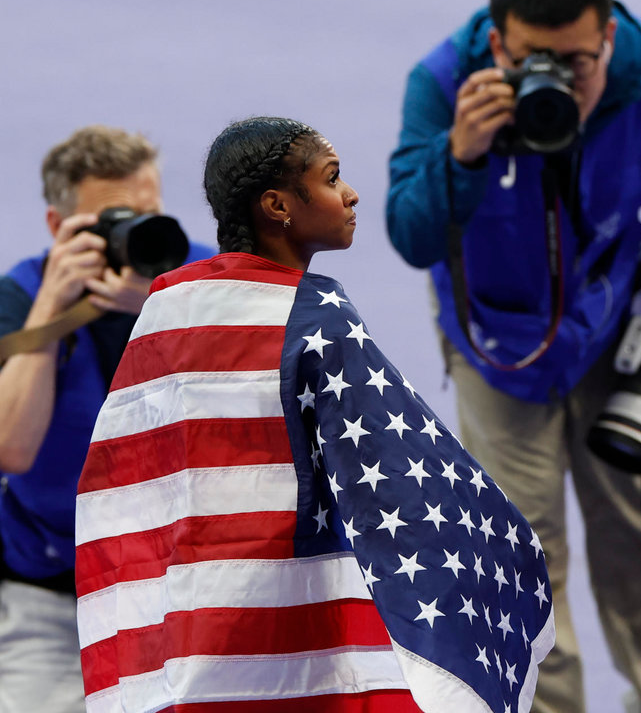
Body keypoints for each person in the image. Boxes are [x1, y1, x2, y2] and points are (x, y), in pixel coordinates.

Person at [74, 116, 553, 713]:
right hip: (291, 624)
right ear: (277, 205)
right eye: (331, 179)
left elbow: (126, 475)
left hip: (191, 618)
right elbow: (398, 463)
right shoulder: (314, 310)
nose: (349, 194)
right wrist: (505, 542)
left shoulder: (166, 311)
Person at [385, 0, 641, 710]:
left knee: (637, 546)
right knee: (524, 559)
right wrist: (458, 155)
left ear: (608, 36)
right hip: (495, 347)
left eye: (577, 62)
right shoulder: (443, 80)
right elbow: (410, 235)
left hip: (608, 320)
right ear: (495, 43)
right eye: (527, 62)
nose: (558, 80)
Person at [0, 125, 215, 713]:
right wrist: (52, 309)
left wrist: (160, 312)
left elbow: (255, 417)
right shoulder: (22, 297)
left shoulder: (204, 278)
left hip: (177, 579)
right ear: (57, 227)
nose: (136, 235)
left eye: (148, 214)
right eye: (114, 220)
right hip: (50, 587)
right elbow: (9, 448)